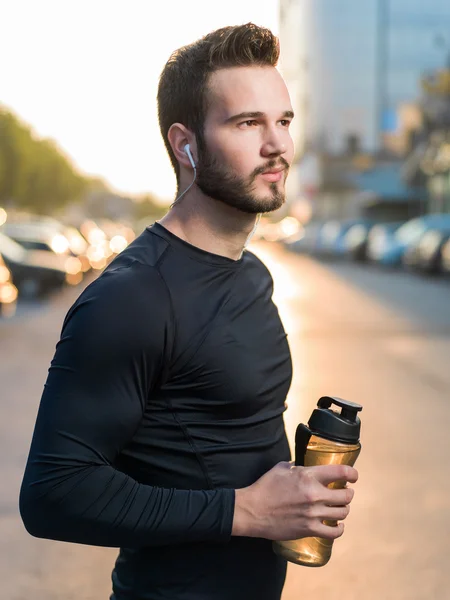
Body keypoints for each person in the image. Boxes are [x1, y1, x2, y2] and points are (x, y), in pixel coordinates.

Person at [19, 23, 358, 600]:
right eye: (247, 123)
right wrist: (244, 512)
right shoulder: (131, 297)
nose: (277, 145)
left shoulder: (252, 275)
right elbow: (53, 493)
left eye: (283, 120)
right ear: (186, 144)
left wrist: (295, 489)